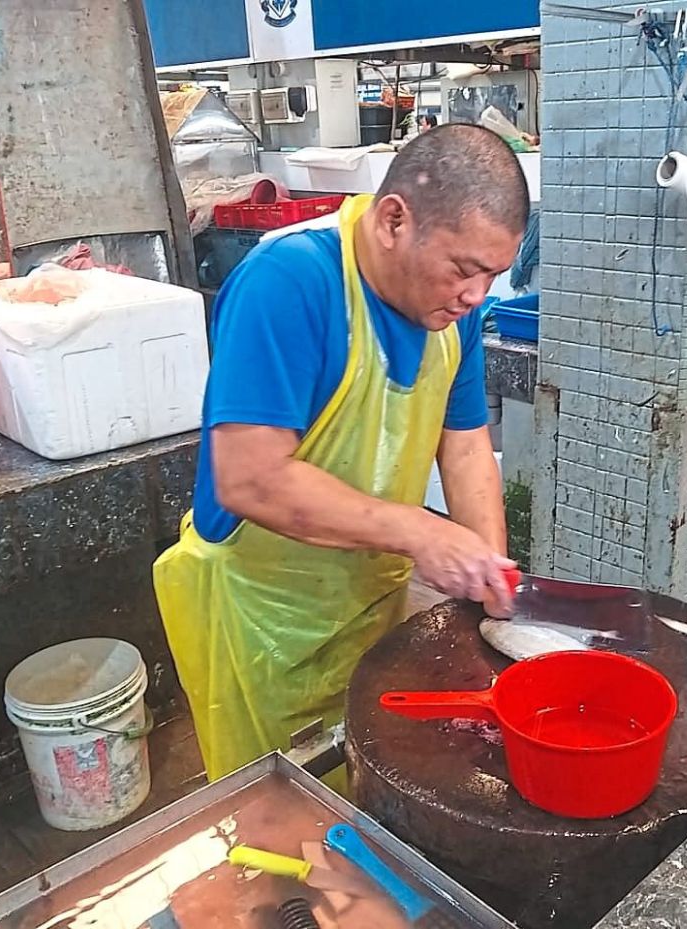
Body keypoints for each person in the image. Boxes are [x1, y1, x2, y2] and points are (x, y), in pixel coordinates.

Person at [153, 124, 526, 780]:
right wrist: (418, 530)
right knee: (276, 816)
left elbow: (465, 446)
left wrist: (487, 579)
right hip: (259, 623)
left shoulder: (455, 317)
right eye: (464, 269)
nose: (476, 296)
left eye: (492, 275)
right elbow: (249, 477)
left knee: (358, 792)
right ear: (392, 220)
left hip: (363, 604)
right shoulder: (289, 283)